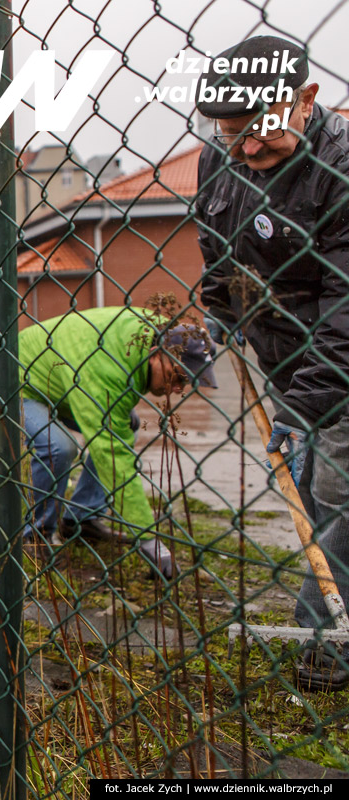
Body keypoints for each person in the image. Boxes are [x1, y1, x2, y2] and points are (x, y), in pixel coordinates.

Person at [195, 35, 349, 691]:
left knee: (338, 496)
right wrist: (221, 312)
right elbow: (217, 251)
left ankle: (330, 640)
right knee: (317, 497)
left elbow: (346, 308)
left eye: (259, 129)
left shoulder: (339, 170)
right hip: (290, 365)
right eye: (233, 134)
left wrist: (302, 406)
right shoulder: (218, 159)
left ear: (307, 99)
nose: (247, 148)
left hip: (341, 358)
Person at [0, 307, 218, 579]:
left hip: (59, 379)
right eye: (177, 375)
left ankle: (81, 516)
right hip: (7, 376)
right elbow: (111, 454)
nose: (178, 388)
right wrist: (149, 539)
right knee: (60, 446)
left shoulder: (163, 334)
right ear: (154, 355)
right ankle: (36, 535)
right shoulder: (108, 369)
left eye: (186, 380)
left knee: (130, 422)